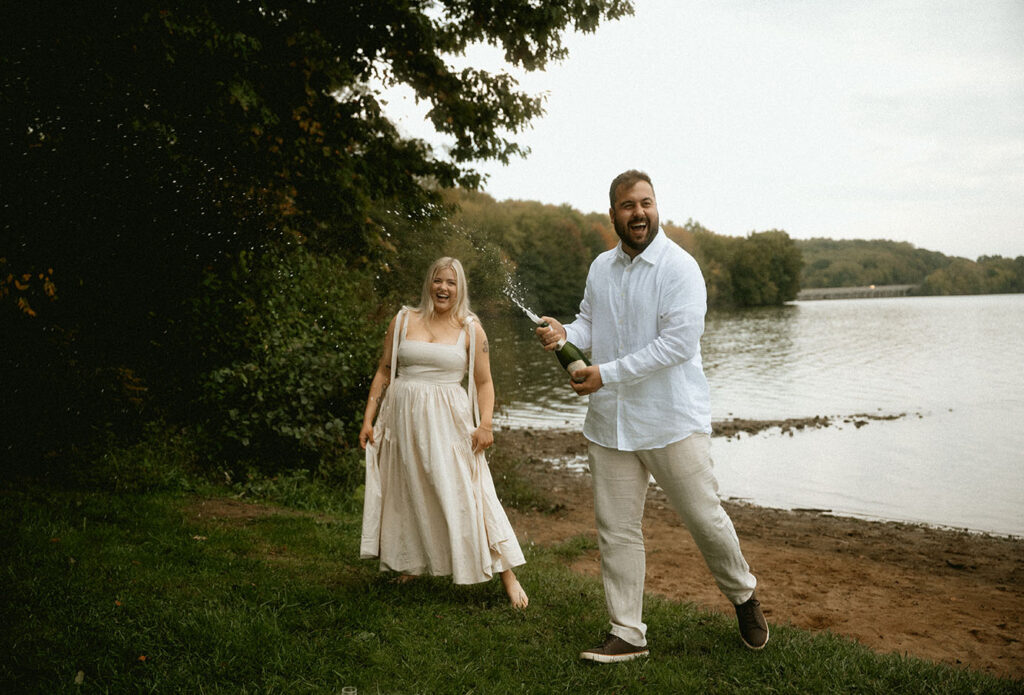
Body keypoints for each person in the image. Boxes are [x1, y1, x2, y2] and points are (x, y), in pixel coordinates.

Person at [536, 170, 768, 661]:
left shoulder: (679, 268)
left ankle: (744, 594)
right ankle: (628, 633)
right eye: (627, 205)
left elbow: (677, 346)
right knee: (615, 528)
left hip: (671, 420)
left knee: (704, 518)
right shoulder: (601, 267)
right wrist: (564, 332)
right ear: (614, 214)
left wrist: (607, 375)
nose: (638, 212)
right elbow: (589, 324)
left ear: (656, 207)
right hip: (609, 424)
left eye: (646, 203)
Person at [360, 257, 528, 608]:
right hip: (402, 419)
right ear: (428, 284)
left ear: (460, 288)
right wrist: (368, 419)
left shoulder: (471, 329)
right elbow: (384, 371)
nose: (443, 288)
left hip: (449, 421)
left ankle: (507, 575)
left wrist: (485, 424)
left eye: (451, 283)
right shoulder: (404, 319)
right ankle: (412, 561)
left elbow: (483, 382)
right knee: (409, 489)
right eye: (438, 280)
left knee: (468, 490)